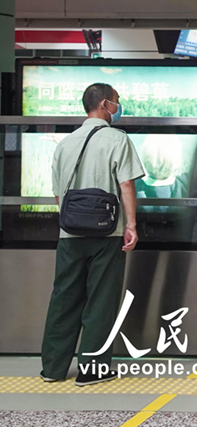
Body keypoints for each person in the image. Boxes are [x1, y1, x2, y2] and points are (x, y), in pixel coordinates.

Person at [40, 83, 146, 385]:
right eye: (116, 101)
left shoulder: (65, 143)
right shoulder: (117, 139)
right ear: (103, 104)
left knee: (64, 298)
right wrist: (131, 225)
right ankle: (92, 369)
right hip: (107, 233)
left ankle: (53, 369)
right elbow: (126, 184)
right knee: (101, 300)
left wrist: (71, 222)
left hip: (69, 234)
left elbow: (59, 193)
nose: (118, 107)